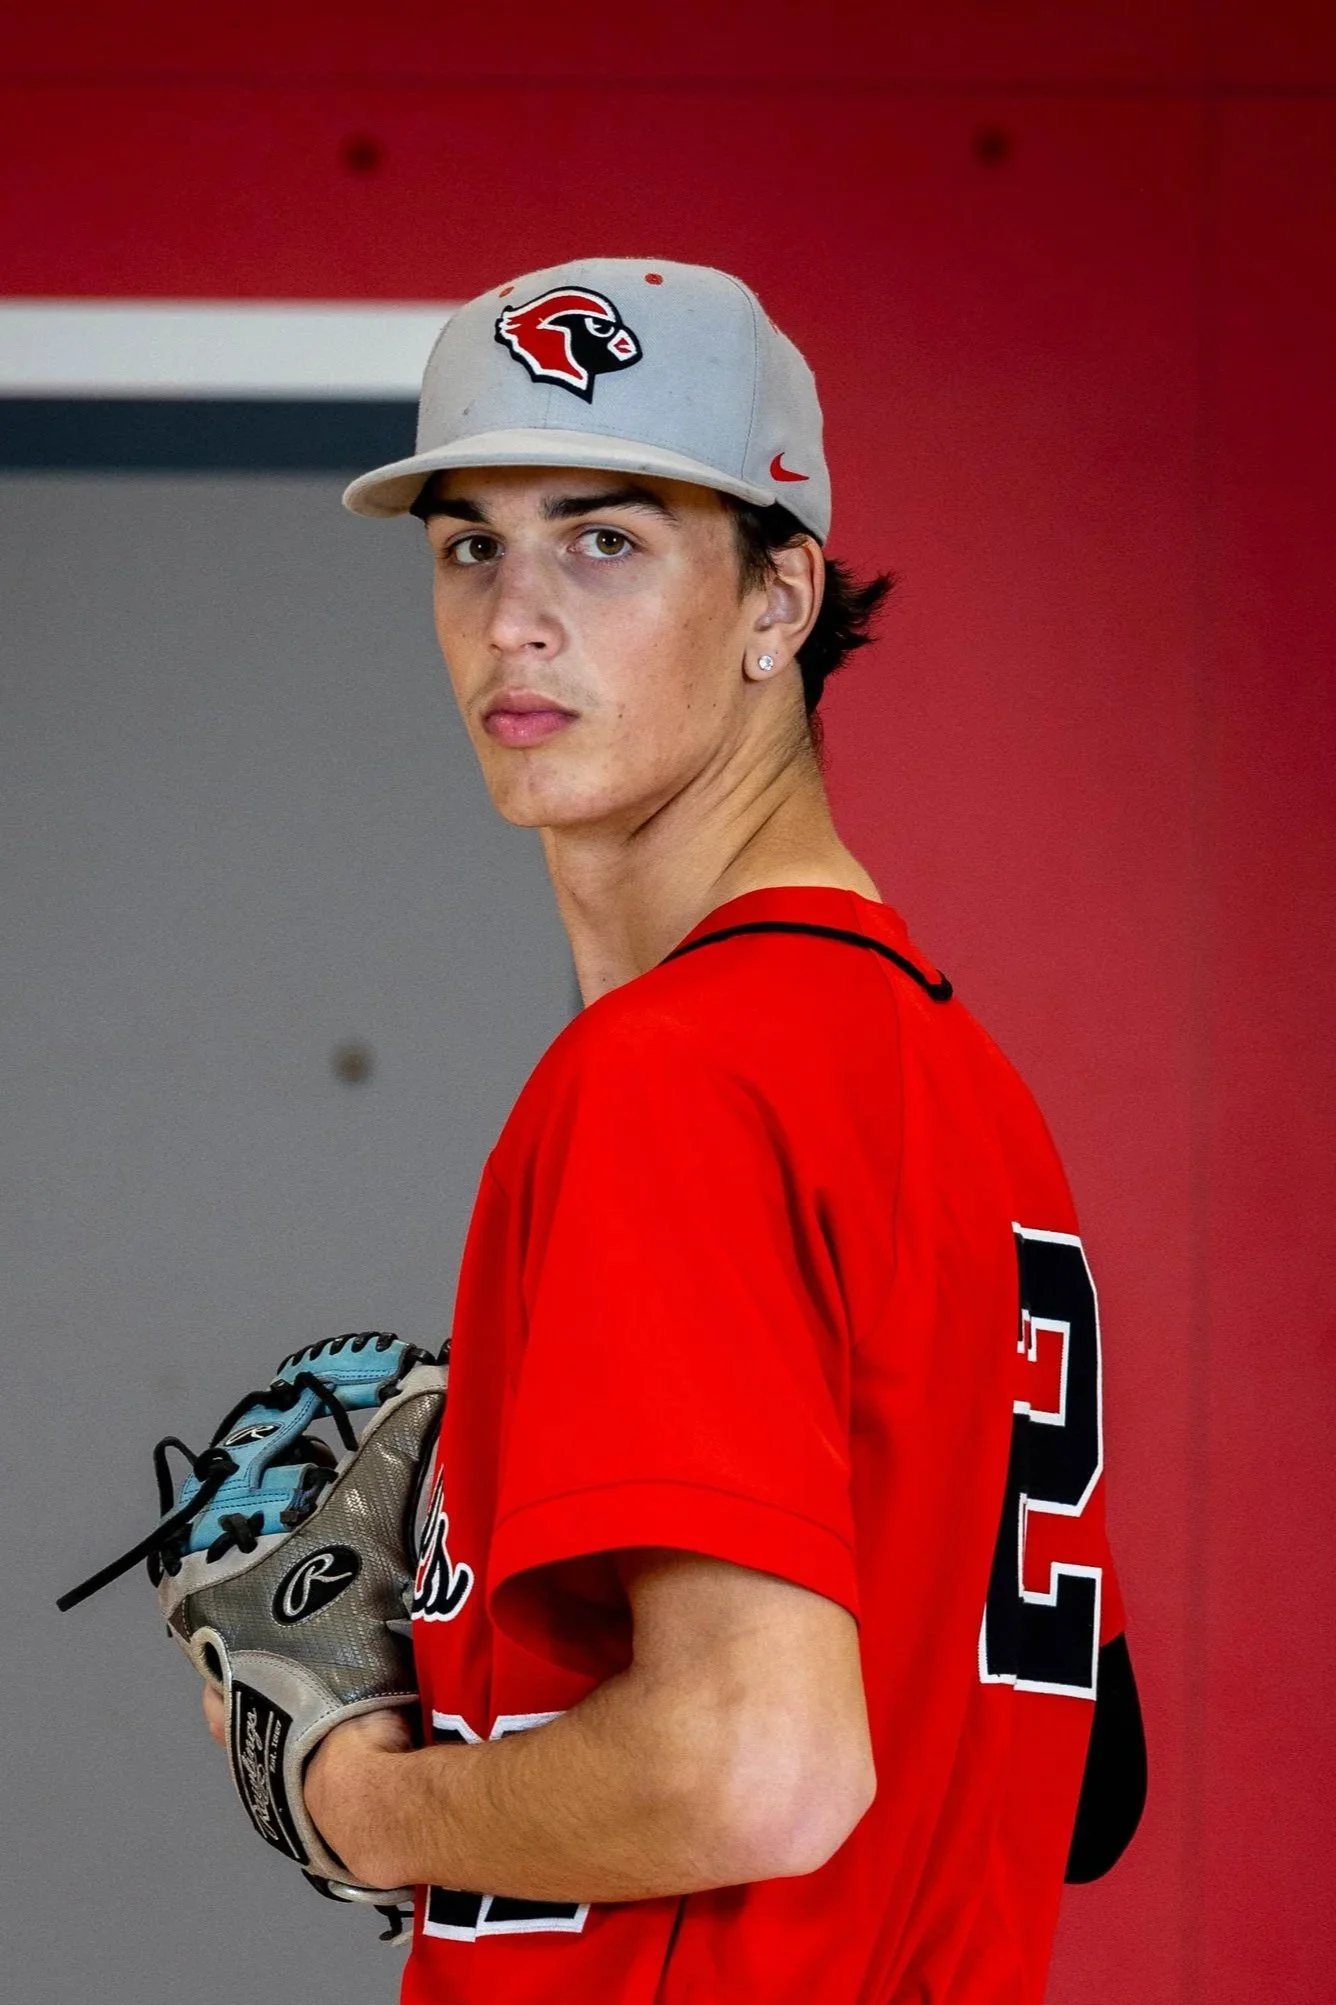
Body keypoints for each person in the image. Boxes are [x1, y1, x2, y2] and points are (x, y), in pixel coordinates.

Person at [208, 258, 1144, 2001]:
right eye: (470, 542)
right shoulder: (960, 1084)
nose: (514, 619)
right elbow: (1088, 1775)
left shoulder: (673, 1075)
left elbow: (759, 1769)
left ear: (779, 596)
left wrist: (361, 1803)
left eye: (607, 538)